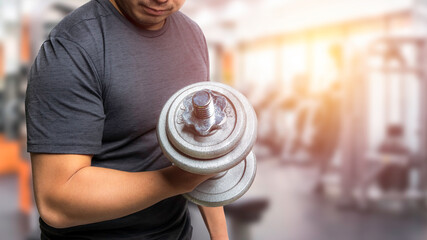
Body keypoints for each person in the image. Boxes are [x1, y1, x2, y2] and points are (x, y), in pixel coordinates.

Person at [25, 0, 228, 239]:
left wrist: (220, 236)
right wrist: (177, 180)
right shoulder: (73, 46)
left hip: (175, 232)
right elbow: (56, 202)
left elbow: (200, 144)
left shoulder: (192, 35)